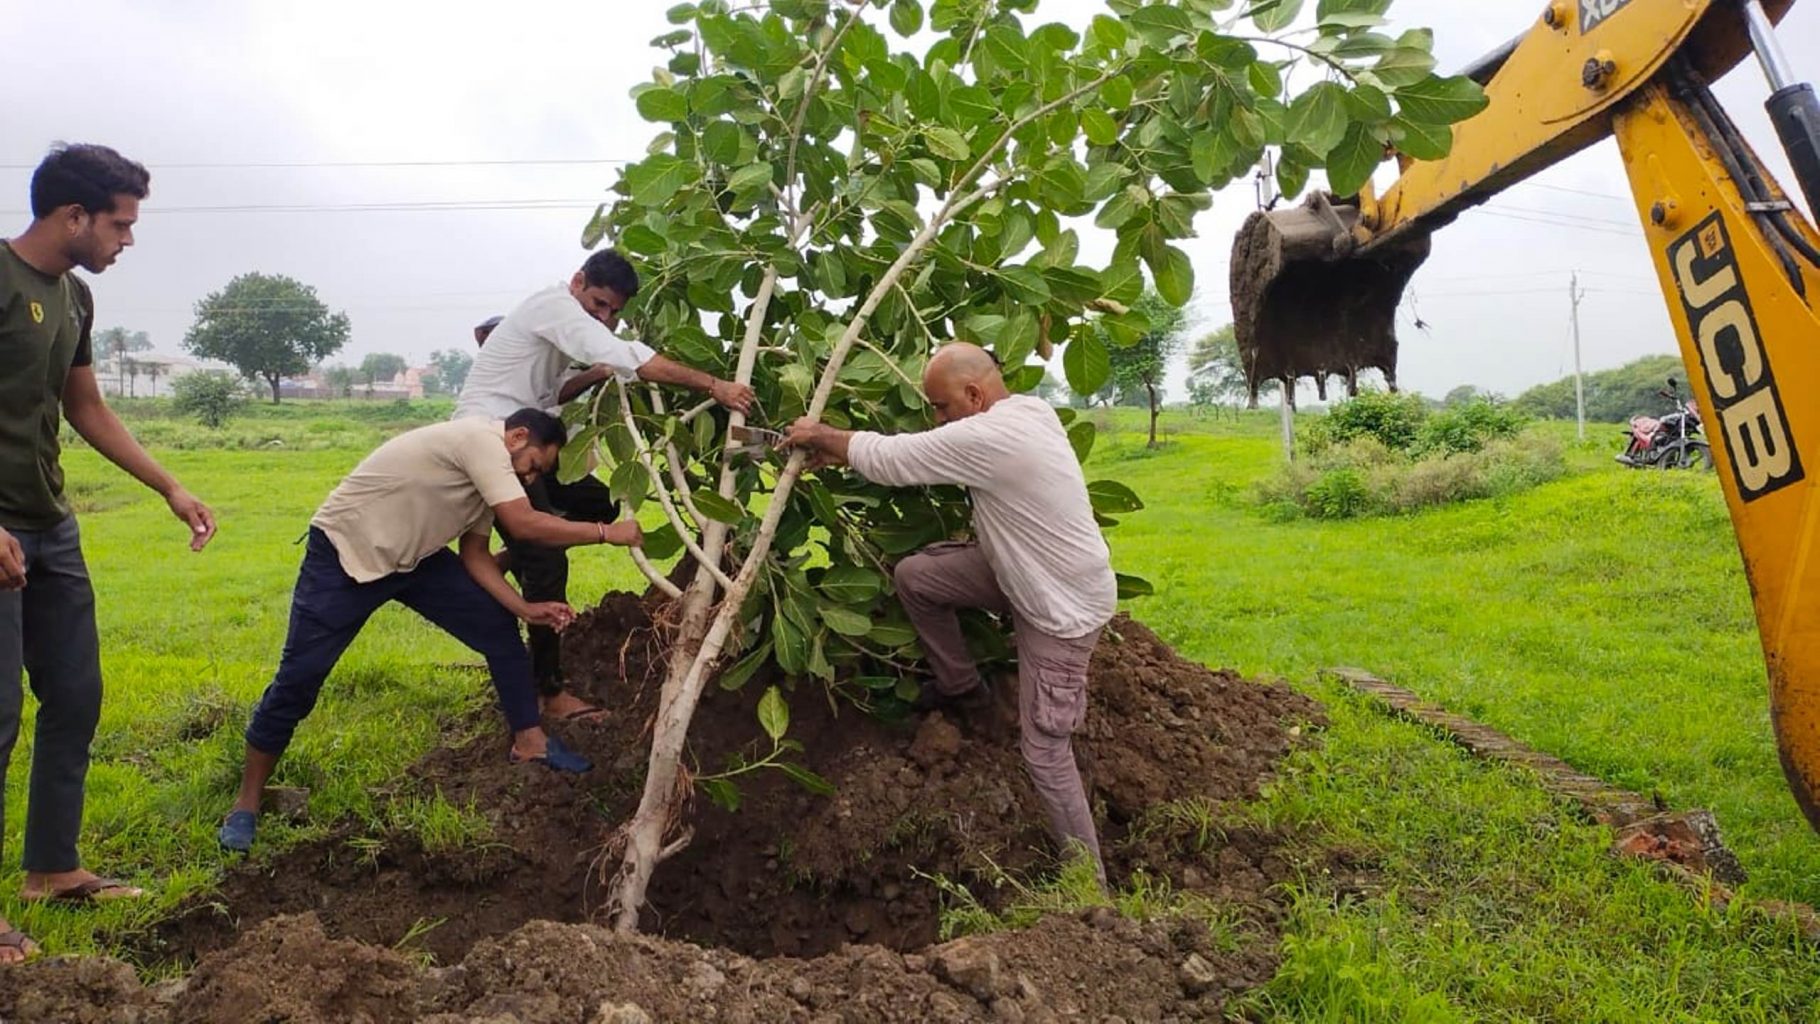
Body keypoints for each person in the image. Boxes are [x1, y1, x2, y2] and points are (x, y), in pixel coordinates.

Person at [216, 410, 643, 853]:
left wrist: (524, 608)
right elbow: (522, 524)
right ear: (518, 437)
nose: (533, 478)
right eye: (535, 465)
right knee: (298, 681)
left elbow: (475, 555)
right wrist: (606, 532)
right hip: (345, 553)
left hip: (415, 561)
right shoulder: (480, 441)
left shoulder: (493, 482)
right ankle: (246, 803)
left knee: (498, 627)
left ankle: (530, 742)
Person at [783, 343, 1117, 880]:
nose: (937, 418)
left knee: (1045, 749)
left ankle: (1088, 884)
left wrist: (821, 435)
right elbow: (920, 457)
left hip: (1060, 607)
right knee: (918, 577)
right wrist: (843, 453)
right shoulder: (1029, 410)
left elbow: (897, 458)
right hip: (1021, 572)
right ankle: (964, 691)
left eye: (941, 407)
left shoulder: (994, 434)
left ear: (974, 394)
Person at [0, 144, 219, 961]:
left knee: (76, 694)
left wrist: (169, 485)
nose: (127, 239)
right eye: (120, 224)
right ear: (73, 216)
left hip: (49, 523)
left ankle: (52, 868)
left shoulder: (76, 297)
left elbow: (85, 405)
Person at [454, 250, 755, 720]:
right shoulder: (555, 307)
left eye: (613, 311)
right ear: (577, 282)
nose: (603, 317)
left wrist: (596, 375)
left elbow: (553, 393)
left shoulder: (560, 325)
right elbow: (627, 354)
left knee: (599, 501)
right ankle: (549, 693)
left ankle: (506, 561)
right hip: (495, 440)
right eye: (598, 304)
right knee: (547, 559)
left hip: (525, 437)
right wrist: (715, 386)